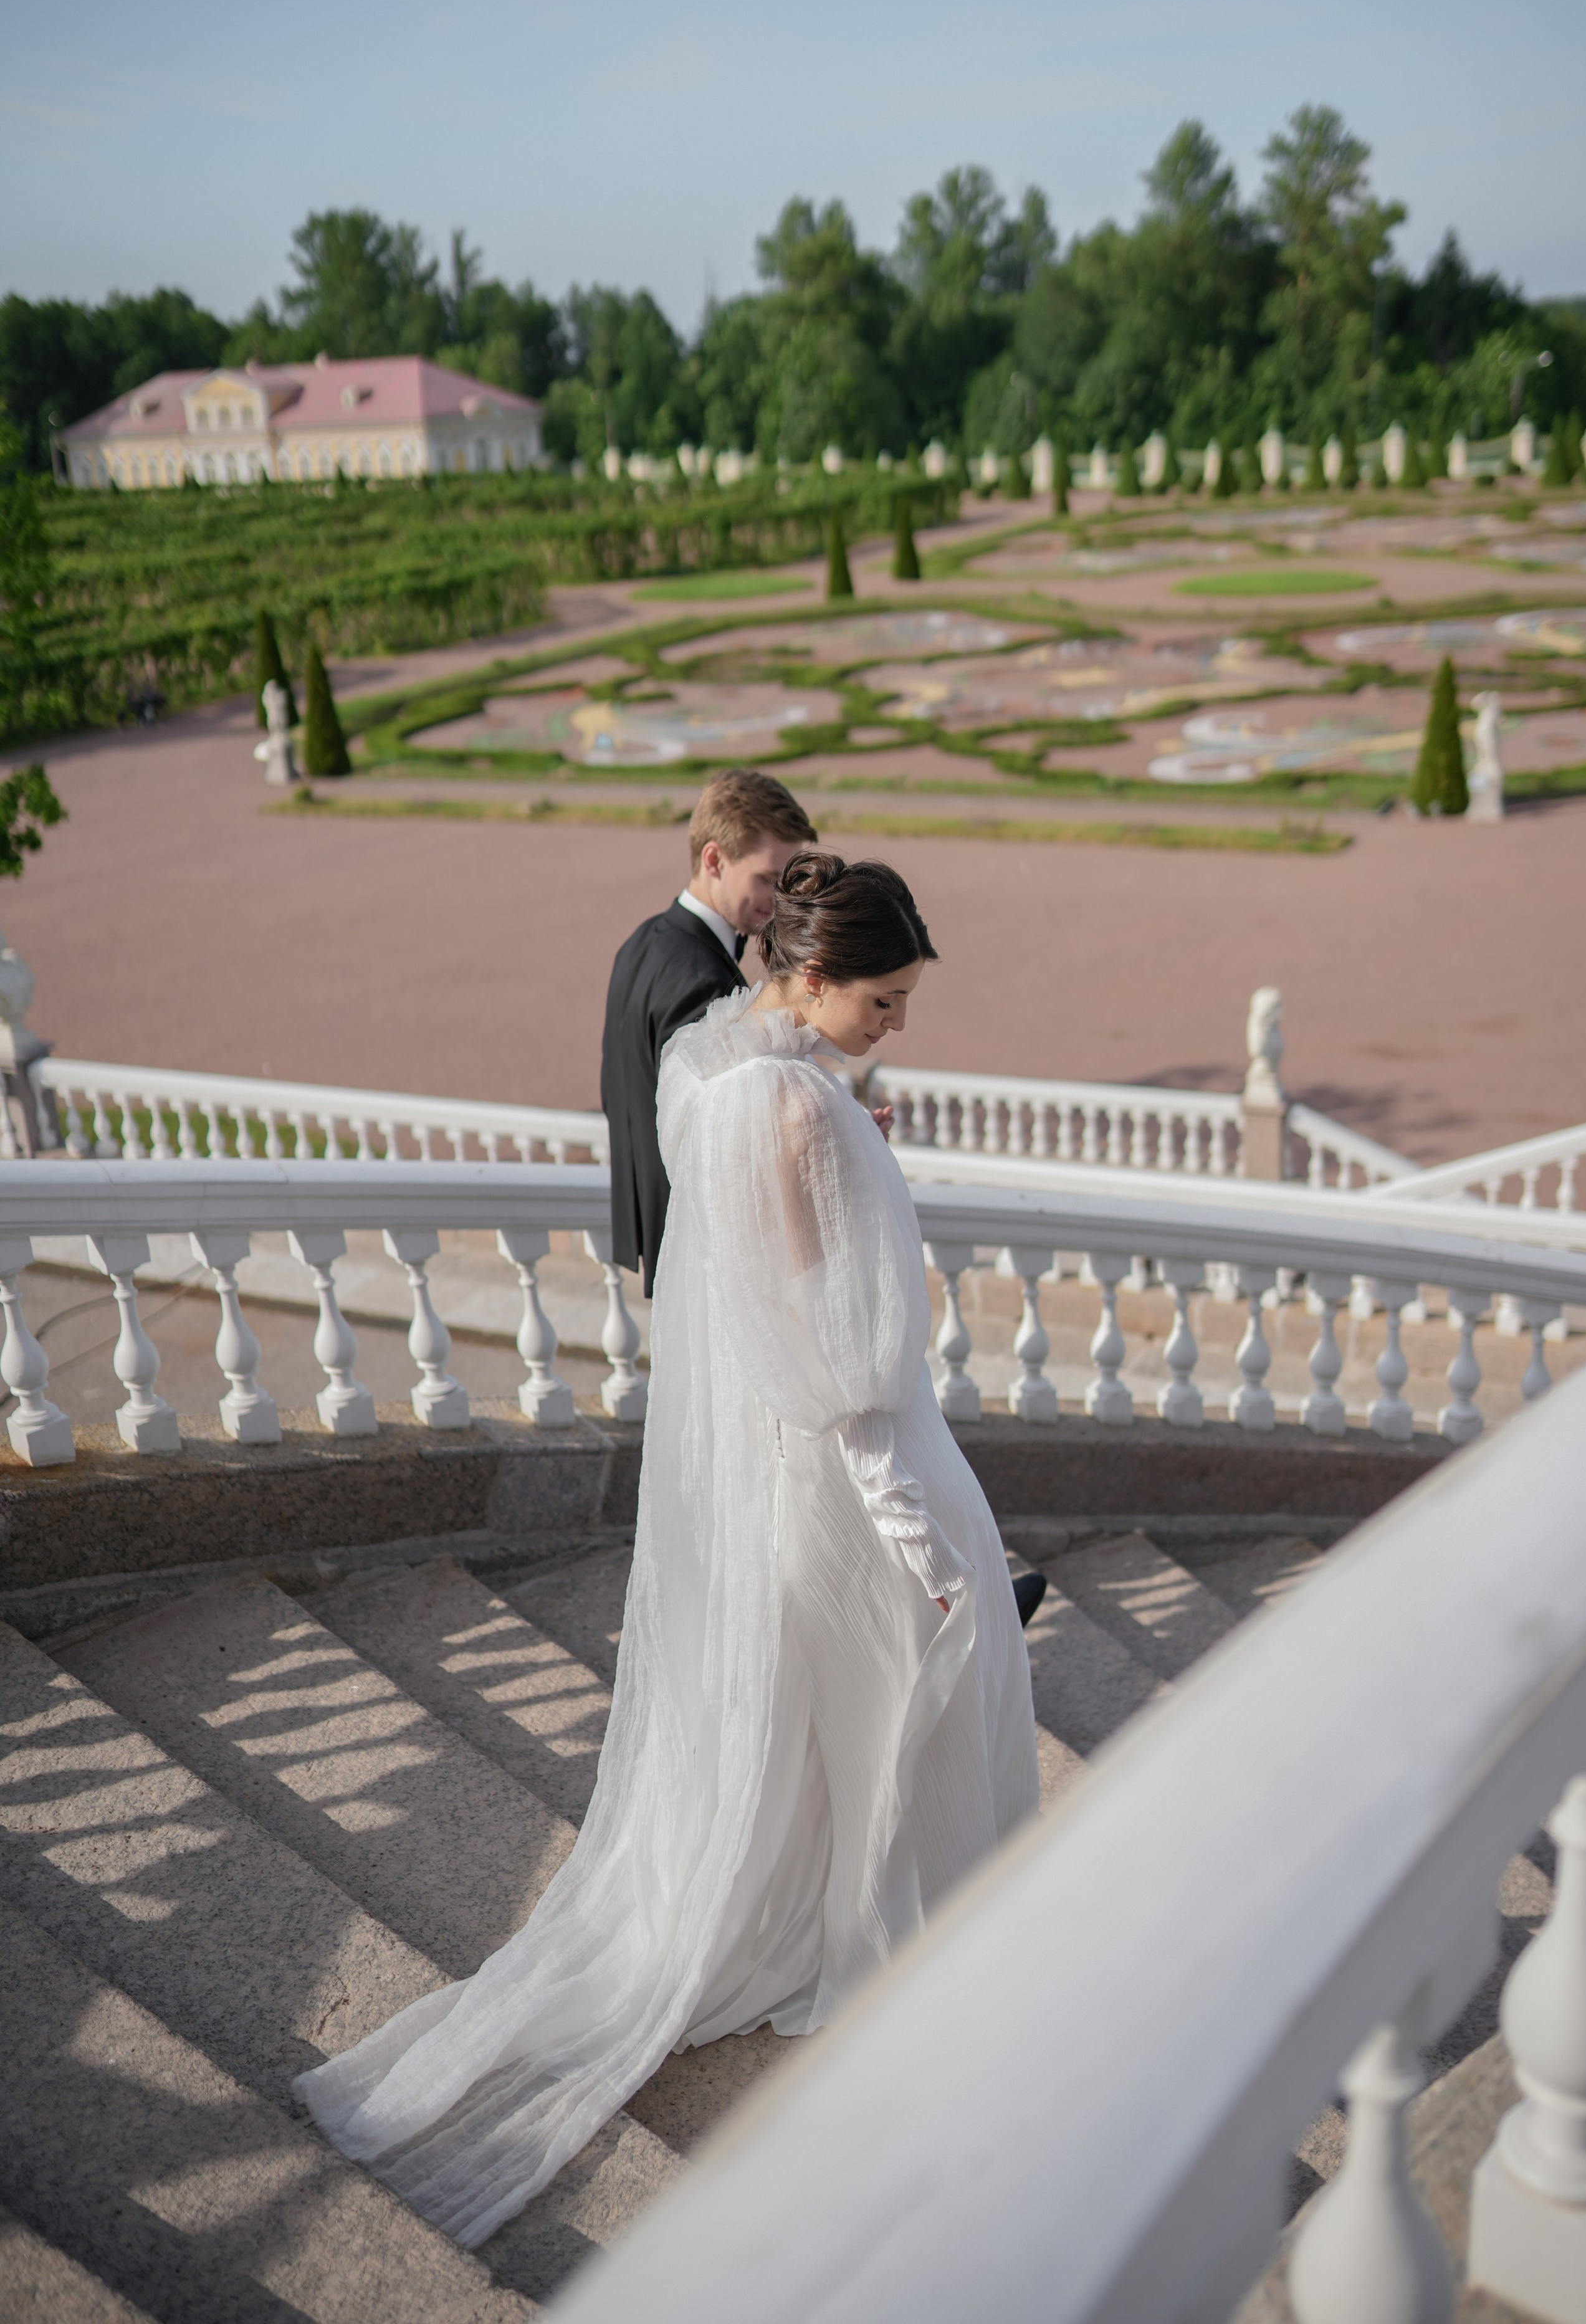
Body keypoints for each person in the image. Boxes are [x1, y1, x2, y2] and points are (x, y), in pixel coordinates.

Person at [295, 853, 1041, 2250]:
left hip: (791, 1474)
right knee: (908, 1702)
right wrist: (922, 1539)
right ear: (807, 976)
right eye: (881, 1000)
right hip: (854, 1471)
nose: (896, 1024)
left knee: (845, 1718)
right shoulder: (799, 1110)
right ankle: (904, 1945)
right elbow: (842, 1359)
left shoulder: (724, 1065)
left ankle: (844, 1914)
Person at [601, 768, 815, 1295]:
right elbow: (726, 1136)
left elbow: (615, 1092)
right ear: (714, 860)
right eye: (767, 879)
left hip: (659, 1233)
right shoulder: (706, 981)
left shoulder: (642, 942)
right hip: (699, 1259)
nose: (781, 901)